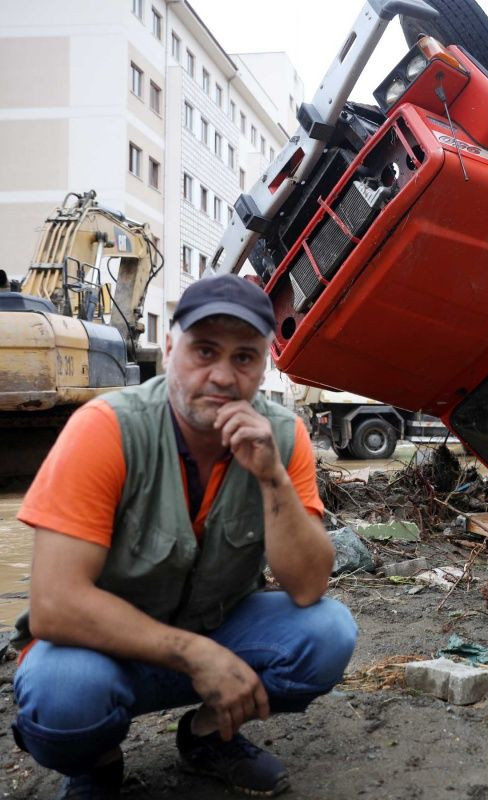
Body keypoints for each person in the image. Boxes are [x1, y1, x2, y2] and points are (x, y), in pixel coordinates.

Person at [12, 274, 357, 799]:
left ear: (263, 365)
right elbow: (54, 604)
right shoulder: (105, 428)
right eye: (204, 351)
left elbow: (309, 587)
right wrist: (197, 655)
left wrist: (271, 477)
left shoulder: (283, 436)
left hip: (216, 629)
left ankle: (207, 736)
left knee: (328, 633)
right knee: (63, 693)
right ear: (170, 348)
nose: (222, 375)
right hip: (104, 651)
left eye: (244, 357)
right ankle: (96, 763)